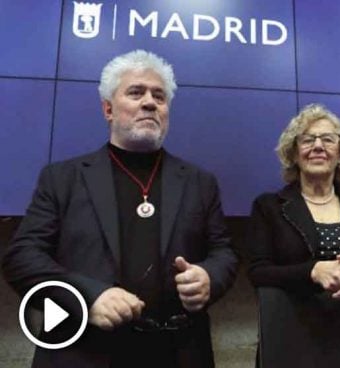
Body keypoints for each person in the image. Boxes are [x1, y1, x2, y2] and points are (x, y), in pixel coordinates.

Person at [2, 50, 238, 368]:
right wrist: (87, 297)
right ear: (108, 109)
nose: (150, 102)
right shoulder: (63, 178)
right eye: (136, 92)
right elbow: (22, 258)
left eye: (159, 96)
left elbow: (224, 252)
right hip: (83, 353)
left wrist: (209, 277)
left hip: (179, 353)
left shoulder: (200, 181)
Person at [245, 104, 340, 366]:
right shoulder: (268, 206)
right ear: (294, 153)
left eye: (328, 139)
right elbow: (258, 272)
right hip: (291, 335)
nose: (318, 146)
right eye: (307, 140)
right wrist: (313, 271)